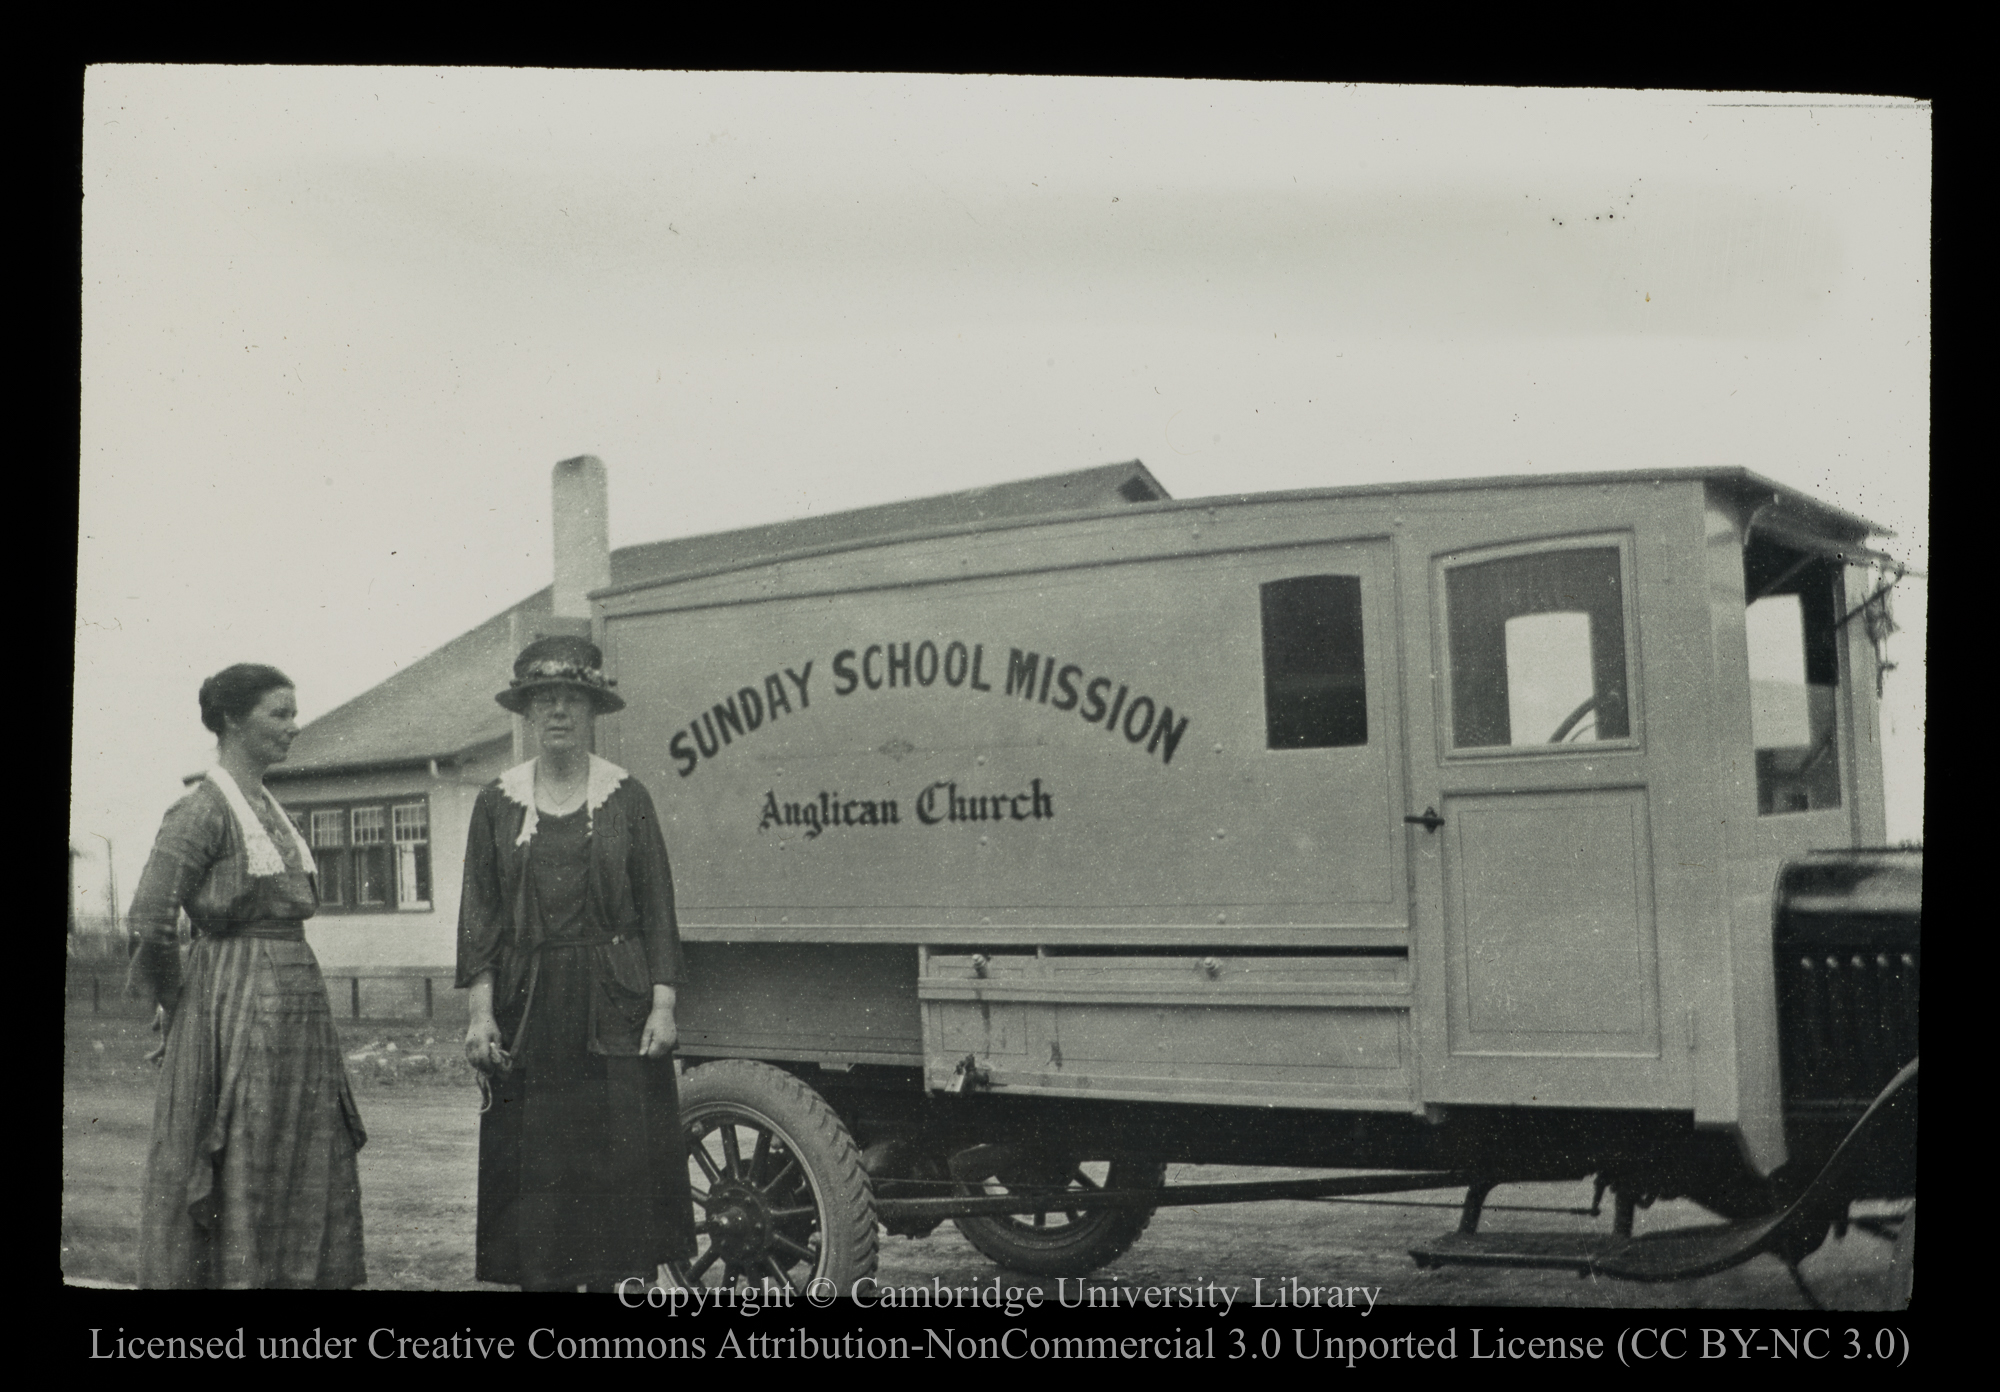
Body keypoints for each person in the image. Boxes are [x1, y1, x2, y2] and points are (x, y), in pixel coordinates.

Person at [458, 635, 695, 1291]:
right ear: (528, 715)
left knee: (619, 1163)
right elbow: (479, 918)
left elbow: (658, 908)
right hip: (528, 1008)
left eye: (571, 699)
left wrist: (664, 1004)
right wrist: (480, 1015)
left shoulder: (627, 798)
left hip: (615, 1004)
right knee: (539, 1169)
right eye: (544, 700)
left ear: (592, 711)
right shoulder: (496, 804)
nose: (558, 712)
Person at [126, 664, 366, 1288]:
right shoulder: (203, 809)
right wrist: (182, 1004)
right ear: (233, 719)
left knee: (294, 1145)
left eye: (294, 713)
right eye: (278, 714)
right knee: (245, 1144)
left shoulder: (269, 808)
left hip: (296, 1008)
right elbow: (150, 919)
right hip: (231, 1004)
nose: (293, 727)